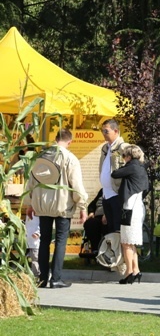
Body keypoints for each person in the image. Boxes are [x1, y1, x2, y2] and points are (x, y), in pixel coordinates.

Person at [25, 129, 88, 288]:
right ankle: (56, 279)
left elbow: (31, 181)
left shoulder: (41, 156)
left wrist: (29, 203)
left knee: (44, 241)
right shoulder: (70, 158)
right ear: (70, 142)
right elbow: (77, 185)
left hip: (43, 205)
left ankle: (42, 278)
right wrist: (82, 206)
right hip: (62, 205)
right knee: (60, 242)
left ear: (55, 139)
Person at [110, 145, 149, 284]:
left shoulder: (131, 166)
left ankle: (128, 272)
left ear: (128, 156)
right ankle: (136, 270)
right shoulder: (142, 168)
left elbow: (114, 174)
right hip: (138, 206)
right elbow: (147, 188)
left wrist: (118, 165)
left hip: (129, 208)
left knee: (126, 242)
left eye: (124, 156)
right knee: (131, 243)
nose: (123, 159)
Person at [99, 119, 129, 234]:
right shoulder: (105, 148)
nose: (104, 134)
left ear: (116, 131)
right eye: (102, 131)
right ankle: (113, 252)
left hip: (116, 194)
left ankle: (119, 252)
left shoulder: (123, 147)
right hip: (106, 195)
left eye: (106, 131)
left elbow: (139, 158)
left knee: (117, 229)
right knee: (111, 229)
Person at [25, 214, 40, 278]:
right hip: (28, 241)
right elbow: (27, 226)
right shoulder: (28, 215)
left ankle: (37, 274)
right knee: (27, 259)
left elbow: (41, 225)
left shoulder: (39, 215)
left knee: (35, 260)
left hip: (35, 242)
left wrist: (37, 233)